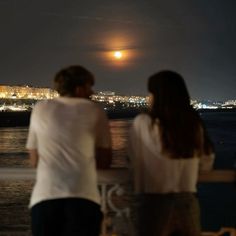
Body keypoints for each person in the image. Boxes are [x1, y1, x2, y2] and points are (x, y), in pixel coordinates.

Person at [26, 65, 112, 236]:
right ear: (79, 88)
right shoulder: (95, 110)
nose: (92, 92)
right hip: (83, 198)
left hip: (44, 199)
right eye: (89, 87)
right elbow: (105, 160)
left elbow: (34, 159)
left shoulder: (40, 108)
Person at [129, 70, 215, 236]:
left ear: (157, 96)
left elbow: (134, 160)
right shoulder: (193, 124)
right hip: (187, 201)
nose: (148, 97)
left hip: (154, 201)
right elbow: (206, 162)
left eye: (150, 92)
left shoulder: (142, 123)